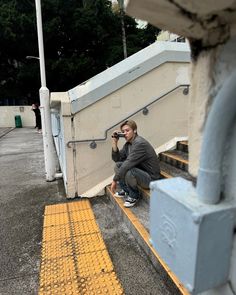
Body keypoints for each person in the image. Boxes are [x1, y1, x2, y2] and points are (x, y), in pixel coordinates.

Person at [111, 119, 161, 208]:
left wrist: (114, 180)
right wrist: (115, 142)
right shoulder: (128, 145)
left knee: (130, 170)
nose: (125, 133)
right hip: (141, 173)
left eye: (127, 130)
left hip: (151, 178)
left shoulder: (139, 143)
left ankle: (134, 195)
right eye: (123, 131)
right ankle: (126, 190)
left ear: (134, 130)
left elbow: (128, 163)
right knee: (118, 165)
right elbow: (117, 159)